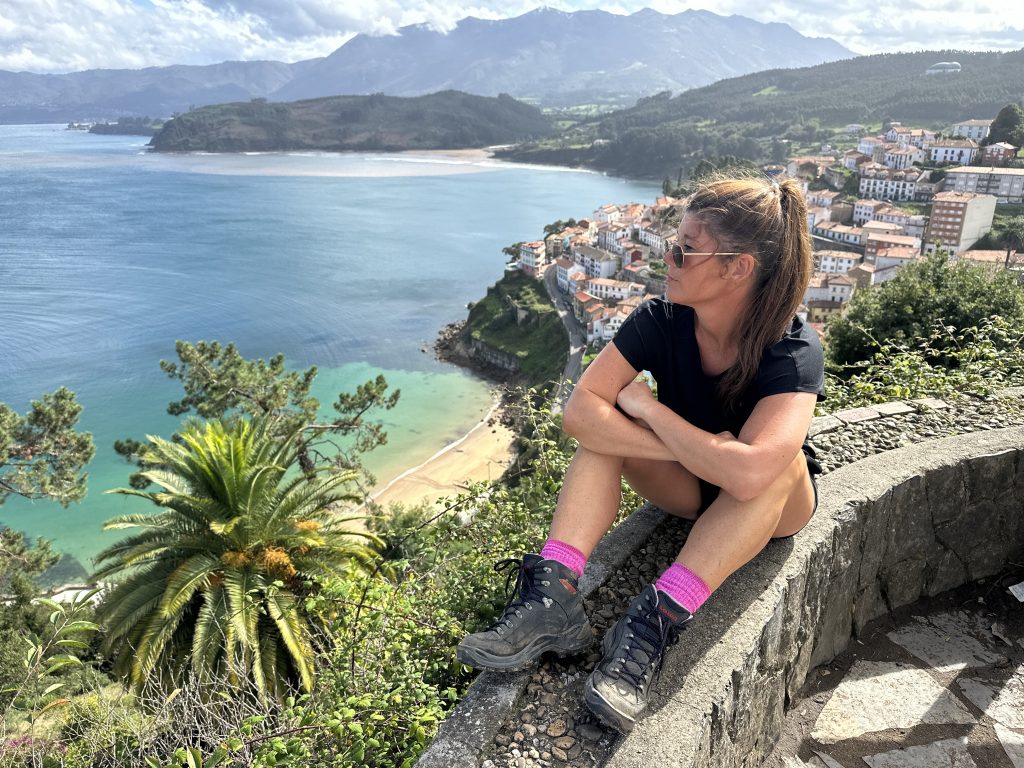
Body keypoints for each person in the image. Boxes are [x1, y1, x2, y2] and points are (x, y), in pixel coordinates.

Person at [457, 173, 825, 734]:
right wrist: (702, 452)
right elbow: (579, 414)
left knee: (777, 462)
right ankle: (554, 593)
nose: (668, 259)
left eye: (685, 250)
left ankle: (655, 619)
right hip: (693, 482)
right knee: (602, 434)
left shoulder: (791, 347)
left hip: (772, 506)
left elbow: (751, 474)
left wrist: (651, 410)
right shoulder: (659, 320)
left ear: (737, 267)